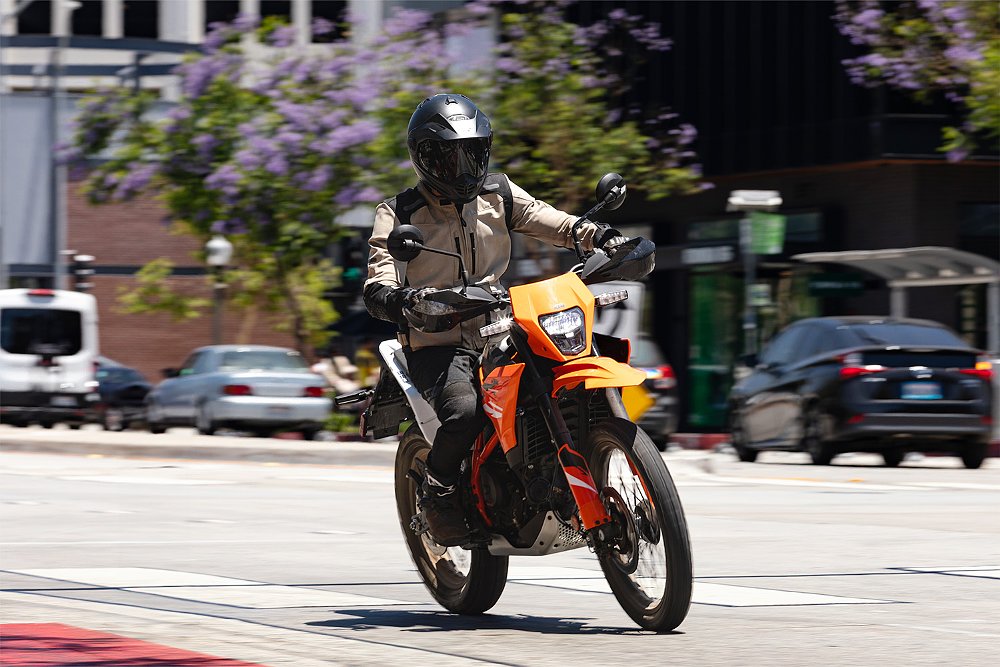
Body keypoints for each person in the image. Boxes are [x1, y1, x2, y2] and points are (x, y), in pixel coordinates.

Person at [364, 93, 624, 546]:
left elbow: (549, 219)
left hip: (503, 327)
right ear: (425, 158)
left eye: (473, 154)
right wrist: (401, 300)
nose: (463, 168)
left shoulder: (499, 194)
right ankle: (439, 489)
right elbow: (379, 272)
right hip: (439, 342)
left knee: (561, 371)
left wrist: (597, 234)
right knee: (463, 414)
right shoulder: (399, 213)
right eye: (450, 156)